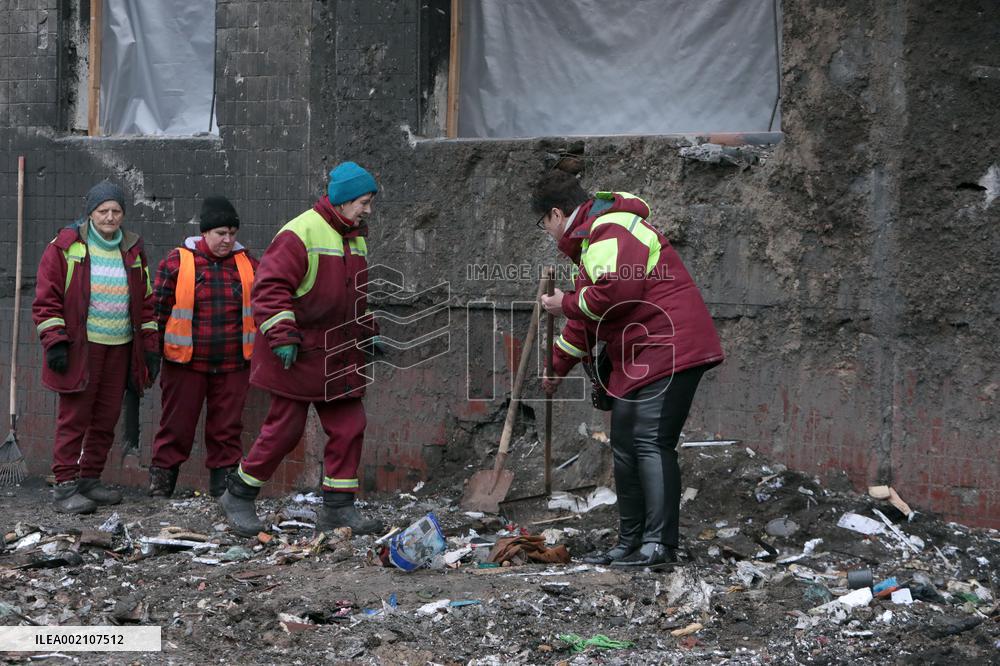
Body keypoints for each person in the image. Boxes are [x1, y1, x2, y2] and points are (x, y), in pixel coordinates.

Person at [535, 170, 724, 567]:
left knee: (650, 442)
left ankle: (658, 546)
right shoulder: (593, 243)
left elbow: (614, 294)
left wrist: (563, 303)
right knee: (624, 445)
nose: (548, 234)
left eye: (544, 224)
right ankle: (630, 541)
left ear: (556, 214)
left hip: (669, 345)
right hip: (643, 353)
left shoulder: (612, 229)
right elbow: (586, 321)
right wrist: (556, 367)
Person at [219, 162, 383, 537]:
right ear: (341, 202)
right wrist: (282, 337)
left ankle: (339, 509)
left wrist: (369, 329)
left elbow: (357, 295)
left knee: (350, 426)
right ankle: (238, 495)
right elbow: (269, 290)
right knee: (284, 431)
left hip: (338, 352)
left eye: (369, 202)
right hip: (299, 350)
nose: (368, 210)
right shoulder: (300, 232)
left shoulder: (354, 236)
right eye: (363, 202)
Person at [32, 181, 160, 514]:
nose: (110, 217)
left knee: (106, 417)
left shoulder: (132, 249)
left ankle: (90, 479)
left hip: (120, 347)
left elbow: (146, 303)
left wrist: (149, 347)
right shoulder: (65, 247)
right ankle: (64, 487)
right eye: (103, 211)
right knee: (75, 417)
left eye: (116, 211)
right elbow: (46, 300)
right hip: (80, 349)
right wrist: (55, 341)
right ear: (90, 213)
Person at [148, 196, 259, 498]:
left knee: (227, 430)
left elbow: (263, 308)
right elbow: (155, 310)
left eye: (232, 233)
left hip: (233, 364)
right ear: (205, 232)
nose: (227, 239)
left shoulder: (248, 264)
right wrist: (151, 353)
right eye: (221, 233)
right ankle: (161, 488)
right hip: (185, 364)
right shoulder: (177, 261)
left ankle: (222, 492)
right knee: (176, 426)